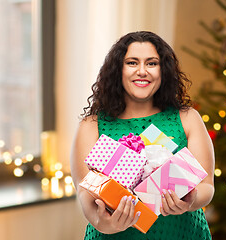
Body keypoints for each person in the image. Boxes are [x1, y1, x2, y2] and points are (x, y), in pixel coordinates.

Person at [70, 31, 215, 239]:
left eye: (151, 63)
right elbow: (85, 193)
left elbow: (207, 186)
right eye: (131, 63)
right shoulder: (91, 126)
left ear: (163, 70)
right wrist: (105, 224)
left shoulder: (187, 118)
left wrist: (190, 201)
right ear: (117, 70)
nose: (142, 71)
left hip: (183, 233)